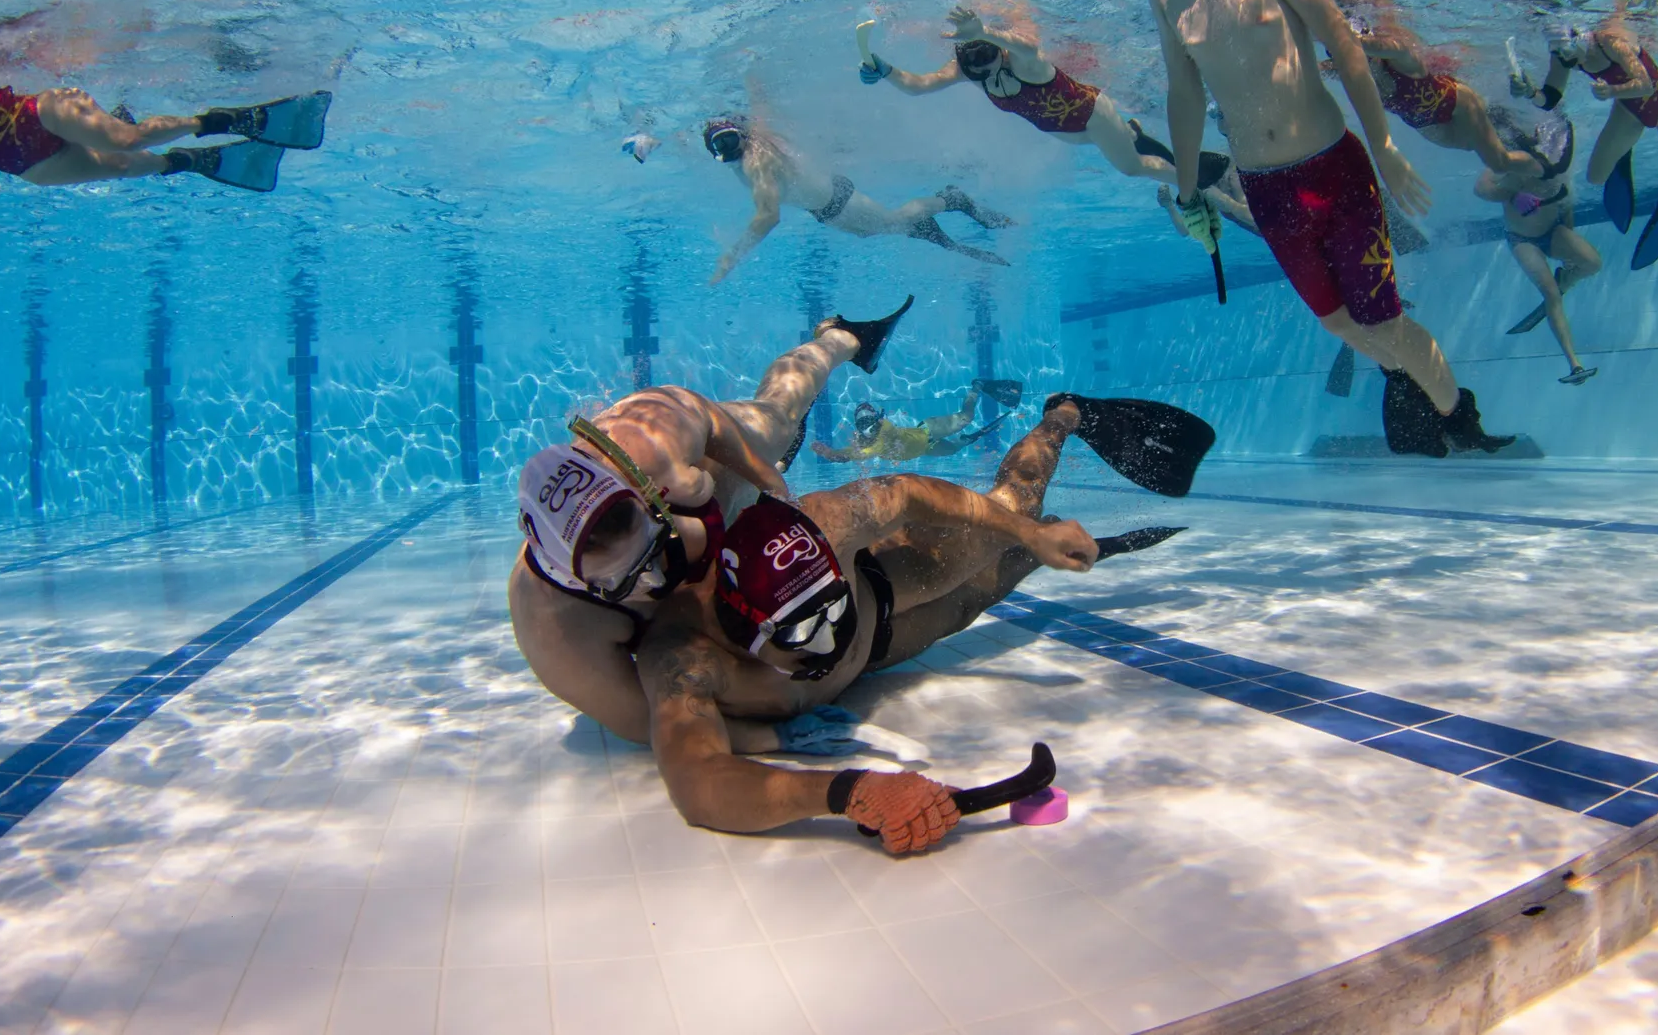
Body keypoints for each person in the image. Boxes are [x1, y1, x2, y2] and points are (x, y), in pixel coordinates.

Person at [525, 393, 1205, 854]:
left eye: (826, 610)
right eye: (802, 636)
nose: (827, 639)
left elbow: (904, 494)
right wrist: (849, 791)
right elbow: (700, 783)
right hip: (884, 648)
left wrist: (1027, 532)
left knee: (1011, 511)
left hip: (890, 578)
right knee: (984, 594)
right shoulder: (681, 656)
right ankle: (1050, 547)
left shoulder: (814, 524)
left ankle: (1062, 418)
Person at [1143, 0, 1514, 458]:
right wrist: (1188, 195)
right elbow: (1183, 93)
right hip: (1266, 190)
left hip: (1332, 170)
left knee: (1383, 323)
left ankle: (1457, 415)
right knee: (1337, 322)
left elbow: (1341, 41)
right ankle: (1412, 379)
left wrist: (1384, 145)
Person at [508, 297, 915, 744]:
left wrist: (768, 481)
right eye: (622, 583)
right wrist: (776, 740)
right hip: (694, 553)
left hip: (707, 484)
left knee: (778, 418)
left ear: (644, 496)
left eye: (653, 545)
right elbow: (644, 722)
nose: (655, 577)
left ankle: (844, 338)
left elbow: (711, 424)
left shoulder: (650, 434)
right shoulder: (552, 624)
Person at [864, 5, 1254, 227]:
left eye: (989, 60)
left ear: (999, 51)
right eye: (975, 70)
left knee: (1133, 168)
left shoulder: (1023, 63)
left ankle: (1212, 192)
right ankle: (1132, 133)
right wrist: (885, 71)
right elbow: (919, 85)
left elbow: (1027, 46)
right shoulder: (970, 71)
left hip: (1093, 116)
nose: (983, 73)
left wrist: (984, 30)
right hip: (1066, 131)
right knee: (1121, 150)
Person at [0, 23, 328, 192]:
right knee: (125, 165)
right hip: (26, 163)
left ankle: (225, 121)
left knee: (126, 140)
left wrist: (19, 25)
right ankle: (192, 161)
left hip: (40, 113)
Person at [689, 115, 1013, 283]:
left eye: (730, 139)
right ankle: (925, 226)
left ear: (741, 134)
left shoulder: (755, 163)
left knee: (892, 220)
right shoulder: (756, 143)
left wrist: (732, 255)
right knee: (869, 231)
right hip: (827, 205)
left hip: (836, 202)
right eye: (720, 145)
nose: (729, 148)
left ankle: (950, 199)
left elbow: (768, 216)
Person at [1513, 9, 1658, 270]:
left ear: (1579, 38)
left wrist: (1612, 90)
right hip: (1628, 112)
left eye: (1567, 52)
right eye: (1560, 54)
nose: (1565, 60)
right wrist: (1530, 92)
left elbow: (1646, 84)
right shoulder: (1564, 56)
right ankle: (1623, 150)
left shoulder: (1610, 41)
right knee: (1596, 177)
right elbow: (1550, 98)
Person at [1333, 0, 1561, 180]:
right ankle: (1502, 123)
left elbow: (1391, 47)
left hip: (1460, 105)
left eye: (1363, 54)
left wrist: (1351, 41)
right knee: (1472, 144)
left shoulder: (1400, 59)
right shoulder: (1345, 69)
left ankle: (1545, 170)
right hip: (1429, 123)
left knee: (1498, 164)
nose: (1361, 61)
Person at [1479, 113, 1601, 385]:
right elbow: (1480, 188)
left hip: (1553, 231)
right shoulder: (1508, 161)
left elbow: (1566, 204)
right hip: (1522, 240)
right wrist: (1512, 195)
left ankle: (1565, 281)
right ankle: (1574, 364)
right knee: (1550, 294)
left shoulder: (1556, 162)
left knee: (1593, 263)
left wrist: (1569, 245)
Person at [811, 379, 1024, 463]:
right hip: (925, 448)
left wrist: (832, 453)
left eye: (870, 422)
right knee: (952, 450)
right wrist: (835, 455)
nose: (868, 428)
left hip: (929, 430)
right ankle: (966, 439)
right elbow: (852, 453)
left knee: (966, 418)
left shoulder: (884, 429)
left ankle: (977, 387)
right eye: (863, 425)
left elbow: (866, 452)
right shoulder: (863, 440)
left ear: (876, 419)